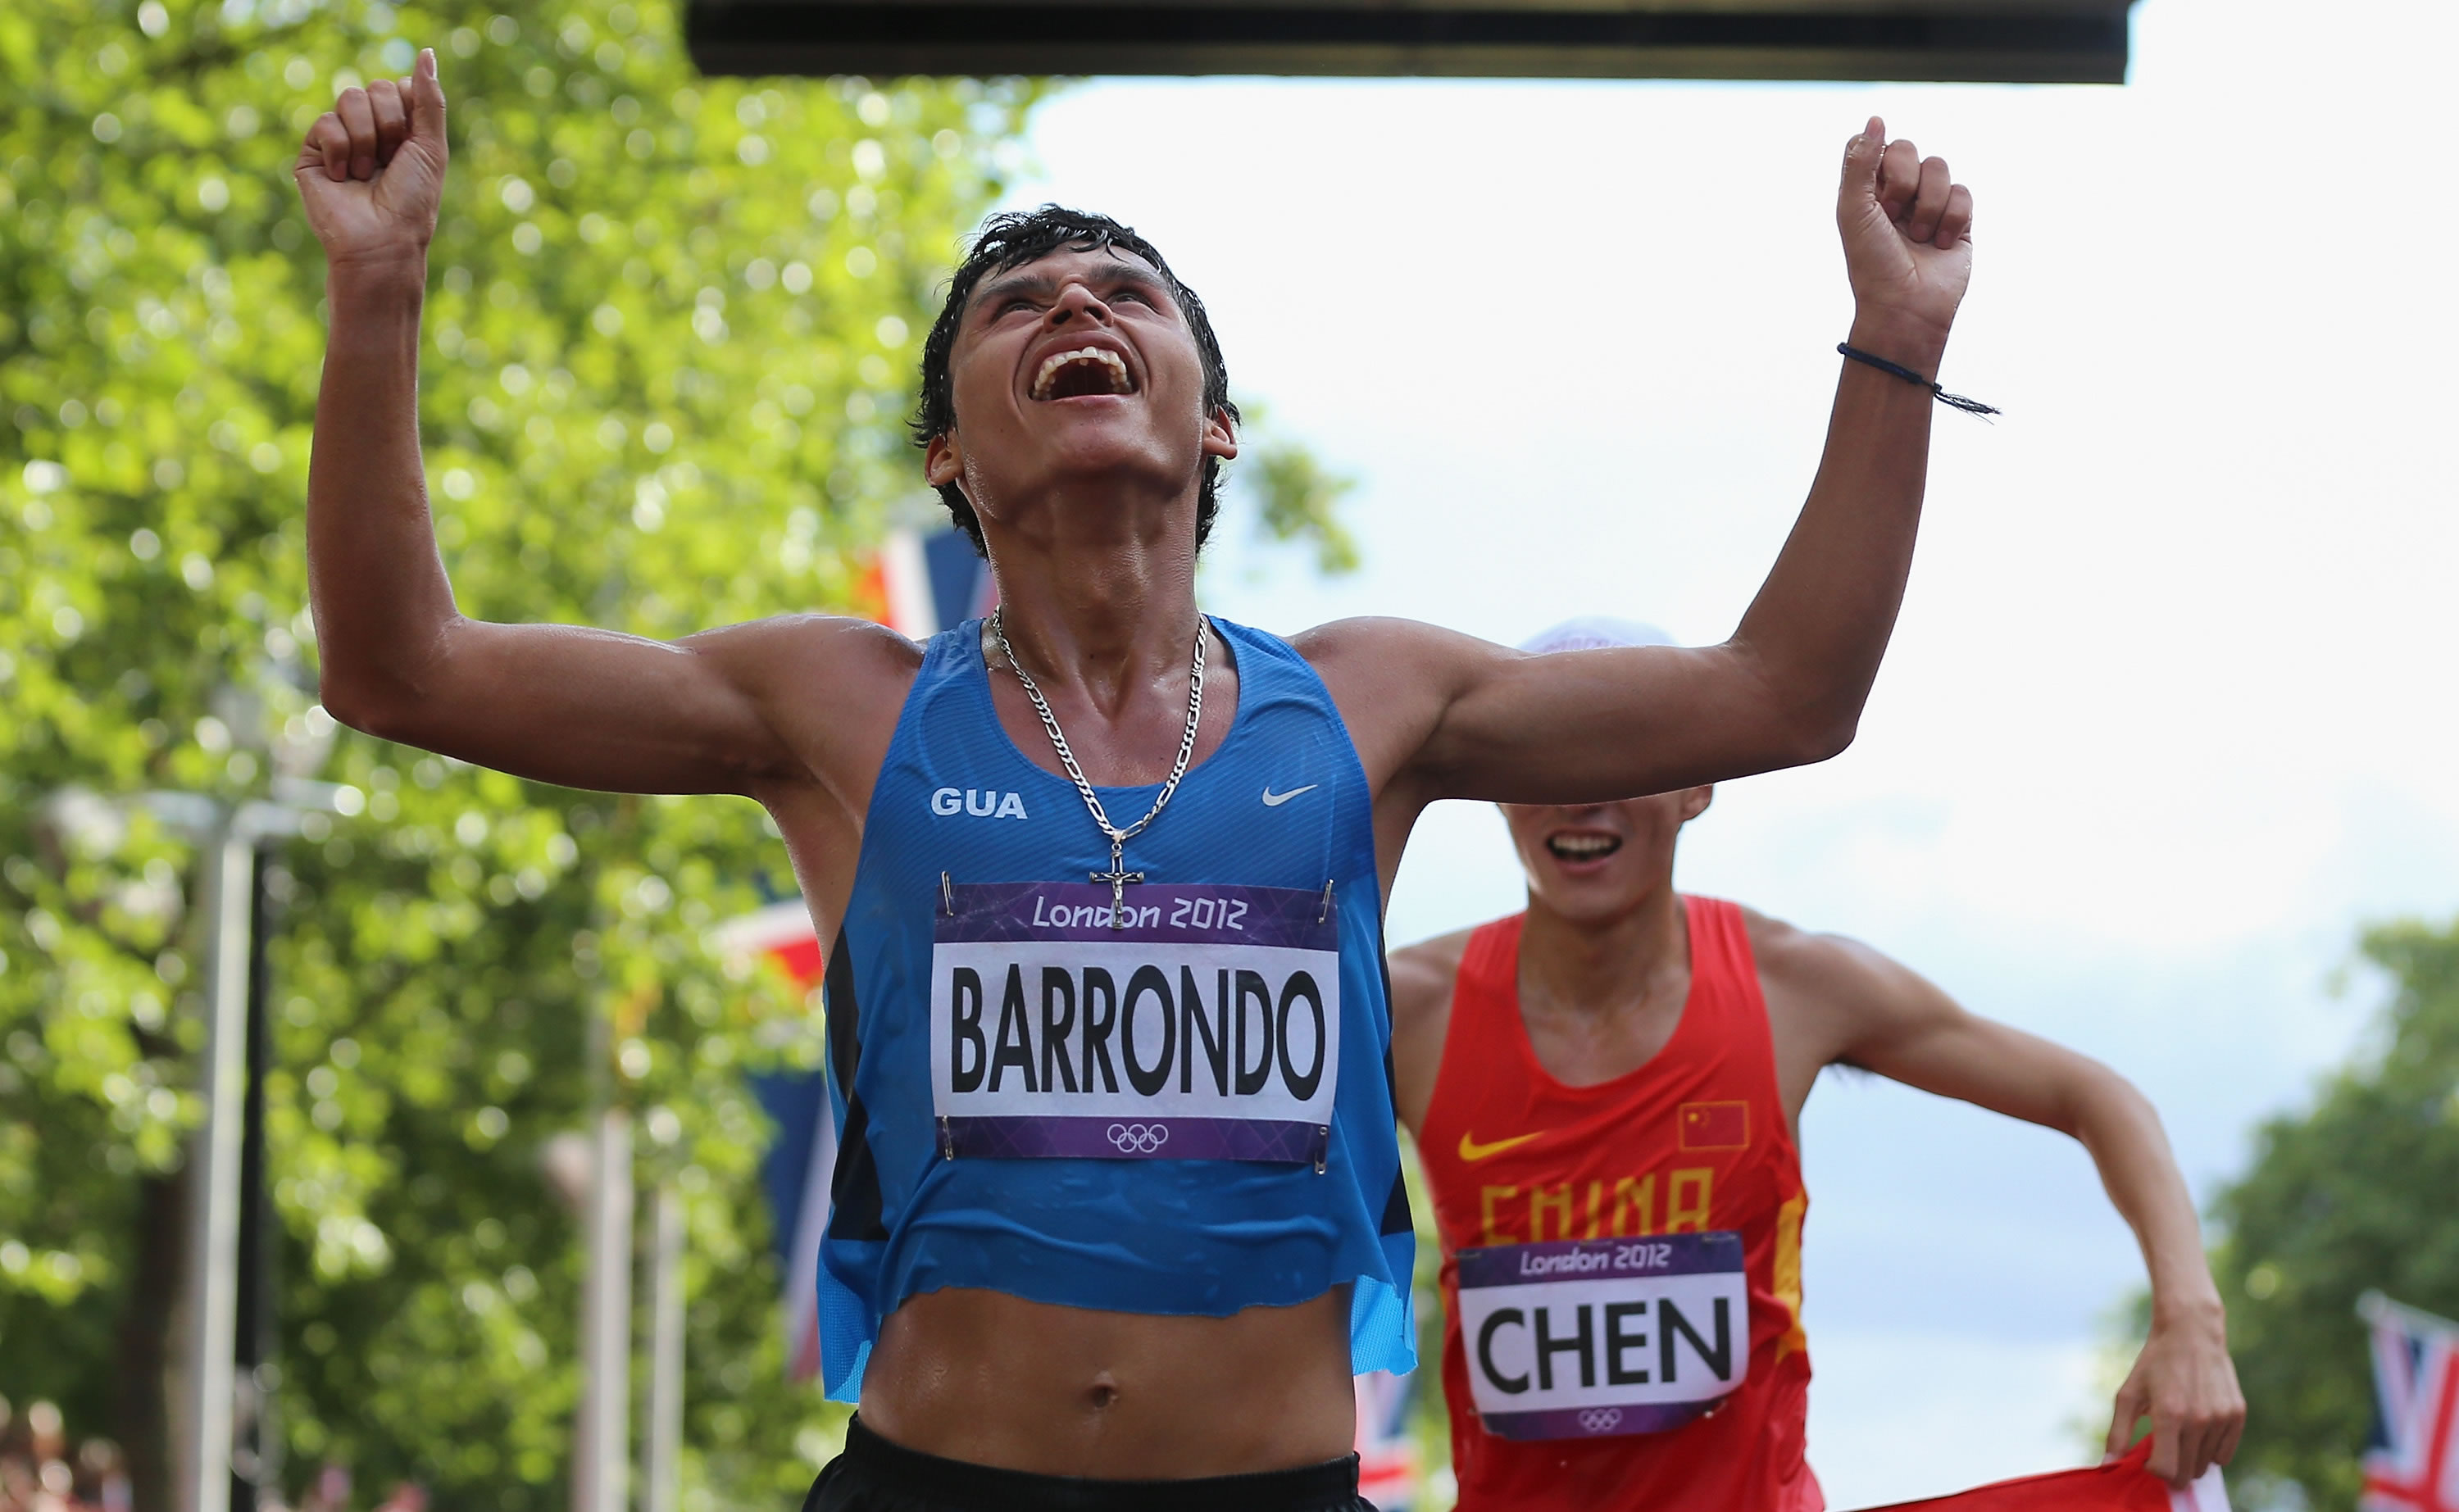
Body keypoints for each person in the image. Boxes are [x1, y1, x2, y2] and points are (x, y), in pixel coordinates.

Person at [293, 49, 1981, 1511]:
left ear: (1216, 427)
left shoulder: (1376, 698)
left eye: (1125, 295)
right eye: (1017, 307)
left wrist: (1897, 337)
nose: (1076, 309)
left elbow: (1784, 694)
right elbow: (399, 669)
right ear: (949, 454)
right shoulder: (837, 703)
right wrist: (378, 288)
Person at [1388, 618, 2248, 1511]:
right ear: (1494, 789)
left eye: (1627, 754)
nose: (1584, 795)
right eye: (1548, 760)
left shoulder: (1796, 984)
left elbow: (2098, 1095)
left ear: (1699, 783)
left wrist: (2193, 1317)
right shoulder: (1405, 1008)